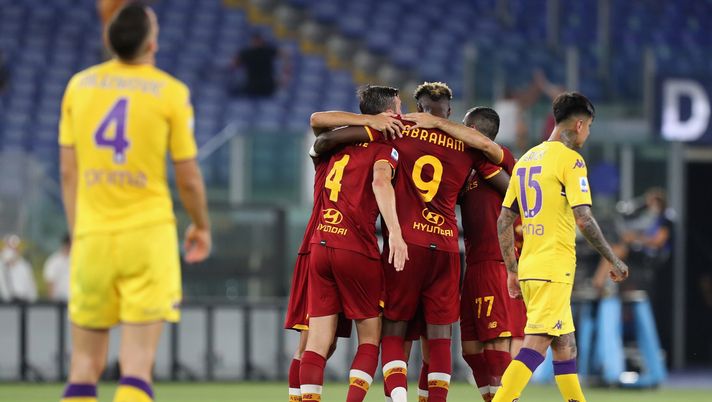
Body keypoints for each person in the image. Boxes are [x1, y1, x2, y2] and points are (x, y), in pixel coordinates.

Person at [58, 4, 211, 402]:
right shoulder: (171, 92)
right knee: (137, 367)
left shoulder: (79, 85)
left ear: (109, 39)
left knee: (83, 369)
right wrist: (201, 225)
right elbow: (189, 178)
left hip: (93, 238)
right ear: (152, 43)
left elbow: (67, 173)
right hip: (148, 237)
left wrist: (80, 234)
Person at [494, 92, 629, 402]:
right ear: (579, 124)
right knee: (538, 341)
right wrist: (613, 259)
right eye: (590, 126)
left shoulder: (526, 159)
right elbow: (584, 219)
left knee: (565, 343)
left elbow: (504, 220)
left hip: (530, 266)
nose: (589, 133)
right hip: (553, 268)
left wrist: (512, 271)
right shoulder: (571, 161)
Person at [284, 85, 404, 402]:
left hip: (319, 245)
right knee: (369, 339)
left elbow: (319, 122)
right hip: (356, 246)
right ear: (389, 113)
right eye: (399, 109)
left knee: (317, 342)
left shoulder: (329, 146)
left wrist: (369, 123)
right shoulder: (384, 147)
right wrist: (394, 231)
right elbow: (380, 182)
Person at [454, 107, 526, 402]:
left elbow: (517, 199)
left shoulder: (498, 160)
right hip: (474, 264)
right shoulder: (469, 169)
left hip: (496, 262)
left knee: (497, 346)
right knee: (470, 349)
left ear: (471, 128)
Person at [231, 33, 287, 97]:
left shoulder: (268, 51)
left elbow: (284, 55)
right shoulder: (247, 53)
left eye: (258, 41)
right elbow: (234, 64)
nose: (256, 43)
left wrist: (285, 76)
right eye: (255, 41)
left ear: (262, 41)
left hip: (267, 86)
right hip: (252, 85)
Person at [0, 235, 38, 303]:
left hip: (24, 302)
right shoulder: (3, 264)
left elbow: (31, 287)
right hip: (6, 304)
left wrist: (32, 300)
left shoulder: (25, 265)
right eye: (11, 246)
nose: (14, 250)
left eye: (16, 247)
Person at [43, 234, 72, 302]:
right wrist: (52, 302)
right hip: (59, 302)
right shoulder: (53, 261)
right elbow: (50, 282)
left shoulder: (76, 259)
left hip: (74, 301)